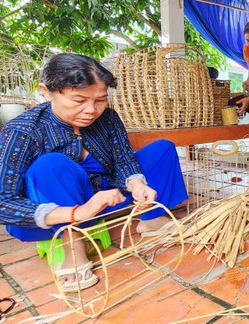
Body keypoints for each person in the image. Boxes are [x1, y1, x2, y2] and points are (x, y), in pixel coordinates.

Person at [0, 53, 188, 293]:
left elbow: (124, 159)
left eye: (100, 99)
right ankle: (73, 249)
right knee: (50, 165)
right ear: (46, 92)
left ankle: (152, 220)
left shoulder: (107, 118)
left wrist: (137, 184)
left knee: (162, 149)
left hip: (106, 198)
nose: (92, 110)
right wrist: (78, 212)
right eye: (79, 100)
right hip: (54, 215)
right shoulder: (23, 130)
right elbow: (3, 202)